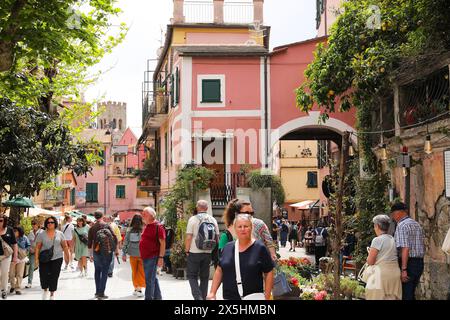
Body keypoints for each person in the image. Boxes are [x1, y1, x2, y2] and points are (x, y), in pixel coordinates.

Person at [207, 214, 275, 300]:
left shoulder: (260, 248)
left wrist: (267, 295)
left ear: (251, 228)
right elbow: (219, 270)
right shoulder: (228, 247)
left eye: (246, 226)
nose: (243, 229)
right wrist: (212, 292)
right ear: (235, 229)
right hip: (229, 297)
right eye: (239, 226)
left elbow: (269, 272)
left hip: (253, 297)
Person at [185, 200, 219, 300]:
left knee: (192, 276)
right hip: (208, 252)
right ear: (207, 208)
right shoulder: (213, 220)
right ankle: (203, 298)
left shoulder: (193, 219)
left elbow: (188, 237)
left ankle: (198, 297)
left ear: (197, 207)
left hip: (194, 252)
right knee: (204, 277)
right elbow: (217, 238)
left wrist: (187, 250)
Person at [390, 202, 425, 300]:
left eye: (393, 214)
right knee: (411, 292)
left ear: (398, 213)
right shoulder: (416, 224)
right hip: (419, 262)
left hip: (408, 263)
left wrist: (404, 269)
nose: (393, 217)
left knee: (406, 294)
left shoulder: (402, 225)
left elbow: (405, 248)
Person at [364, 215, 402, 300]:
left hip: (380, 275)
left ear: (377, 226)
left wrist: (369, 253)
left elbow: (370, 261)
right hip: (394, 274)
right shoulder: (392, 239)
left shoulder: (377, 240)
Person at [35, 216, 70, 300]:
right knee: (43, 275)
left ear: (55, 224)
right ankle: (45, 290)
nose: (50, 224)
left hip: (57, 258)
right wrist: (36, 259)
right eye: (48, 222)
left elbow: (65, 246)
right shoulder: (41, 234)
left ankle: (52, 294)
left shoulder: (60, 234)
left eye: (52, 222)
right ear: (46, 224)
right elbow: (38, 247)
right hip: (44, 258)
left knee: (54, 276)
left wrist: (67, 257)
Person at [88, 210, 119, 300]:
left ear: (94, 217)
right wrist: (116, 250)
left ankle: (97, 292)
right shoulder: (107, 225)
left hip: (96, 251)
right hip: (107, 251)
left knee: (97, 271)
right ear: (102, 216)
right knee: (105, 271)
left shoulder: (92, 228)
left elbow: (89, 243)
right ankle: (102, 292)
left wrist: (90, 255)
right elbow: (115, 238)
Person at [139, 207, 165, 300]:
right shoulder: (147, 225)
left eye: (144, 214)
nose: (142, 215)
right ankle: (158, 297)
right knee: (153, 278)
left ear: (151, 215)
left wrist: (161, 257)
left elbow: (162, 243)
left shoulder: (158, 226)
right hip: (146, 257)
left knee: (149, 280)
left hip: (152, 256)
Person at [122, 214, 145, 297]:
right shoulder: (143, 230)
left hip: (132, 254)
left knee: (134, 272)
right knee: (141, 272)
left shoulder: (129, 230)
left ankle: (136, 288)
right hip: (142, 255)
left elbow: (125, 242)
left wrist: (124, 253)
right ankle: (139, 289)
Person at [0, 214, 18, 299]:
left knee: (4, 273)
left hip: (6, 255)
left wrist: (15, 256)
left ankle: (3, 290)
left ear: (4, 221)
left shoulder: (9, 230)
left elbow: (14, 244)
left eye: (0, 220)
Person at [9, 226, 30, 295]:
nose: (14, 232)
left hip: (21, 258)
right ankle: (12, 286)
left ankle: (17, 288)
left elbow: (28, 246)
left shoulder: (24, 237)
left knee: (20, 274)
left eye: (15, 231)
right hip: (12, 258)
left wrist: (25, 253)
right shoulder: (10, 237)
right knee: (11, 273)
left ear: (19, 231)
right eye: (13, 230)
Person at [25, 219, 42, 289]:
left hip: (41, 252)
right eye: (32, 224)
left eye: (35, 224)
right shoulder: (30, 233)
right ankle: (29, 282)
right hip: (32, 252)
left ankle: (42, 282)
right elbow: (28, 243)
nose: (33, 225)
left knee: (42, 267)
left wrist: (38, 249)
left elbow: (44, 242)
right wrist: (30, 249)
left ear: (38, 225)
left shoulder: (42, 232)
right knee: (31, 267)